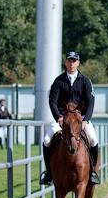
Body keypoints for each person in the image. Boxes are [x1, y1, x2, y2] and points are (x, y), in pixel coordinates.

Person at [39, 51, 100, 186]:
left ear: (78, 63)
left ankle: (93, 172)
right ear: (66, 62)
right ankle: (49, 173)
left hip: (81, 120)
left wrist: (86, 120)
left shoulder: (85, 81)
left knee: (94, 140)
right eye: (69, 60)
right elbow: (52, 101)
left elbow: (91, 102)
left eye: (74, 61)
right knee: (47, 140)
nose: (71, 63)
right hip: (63, 119)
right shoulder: (58, 81)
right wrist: (58, 117)